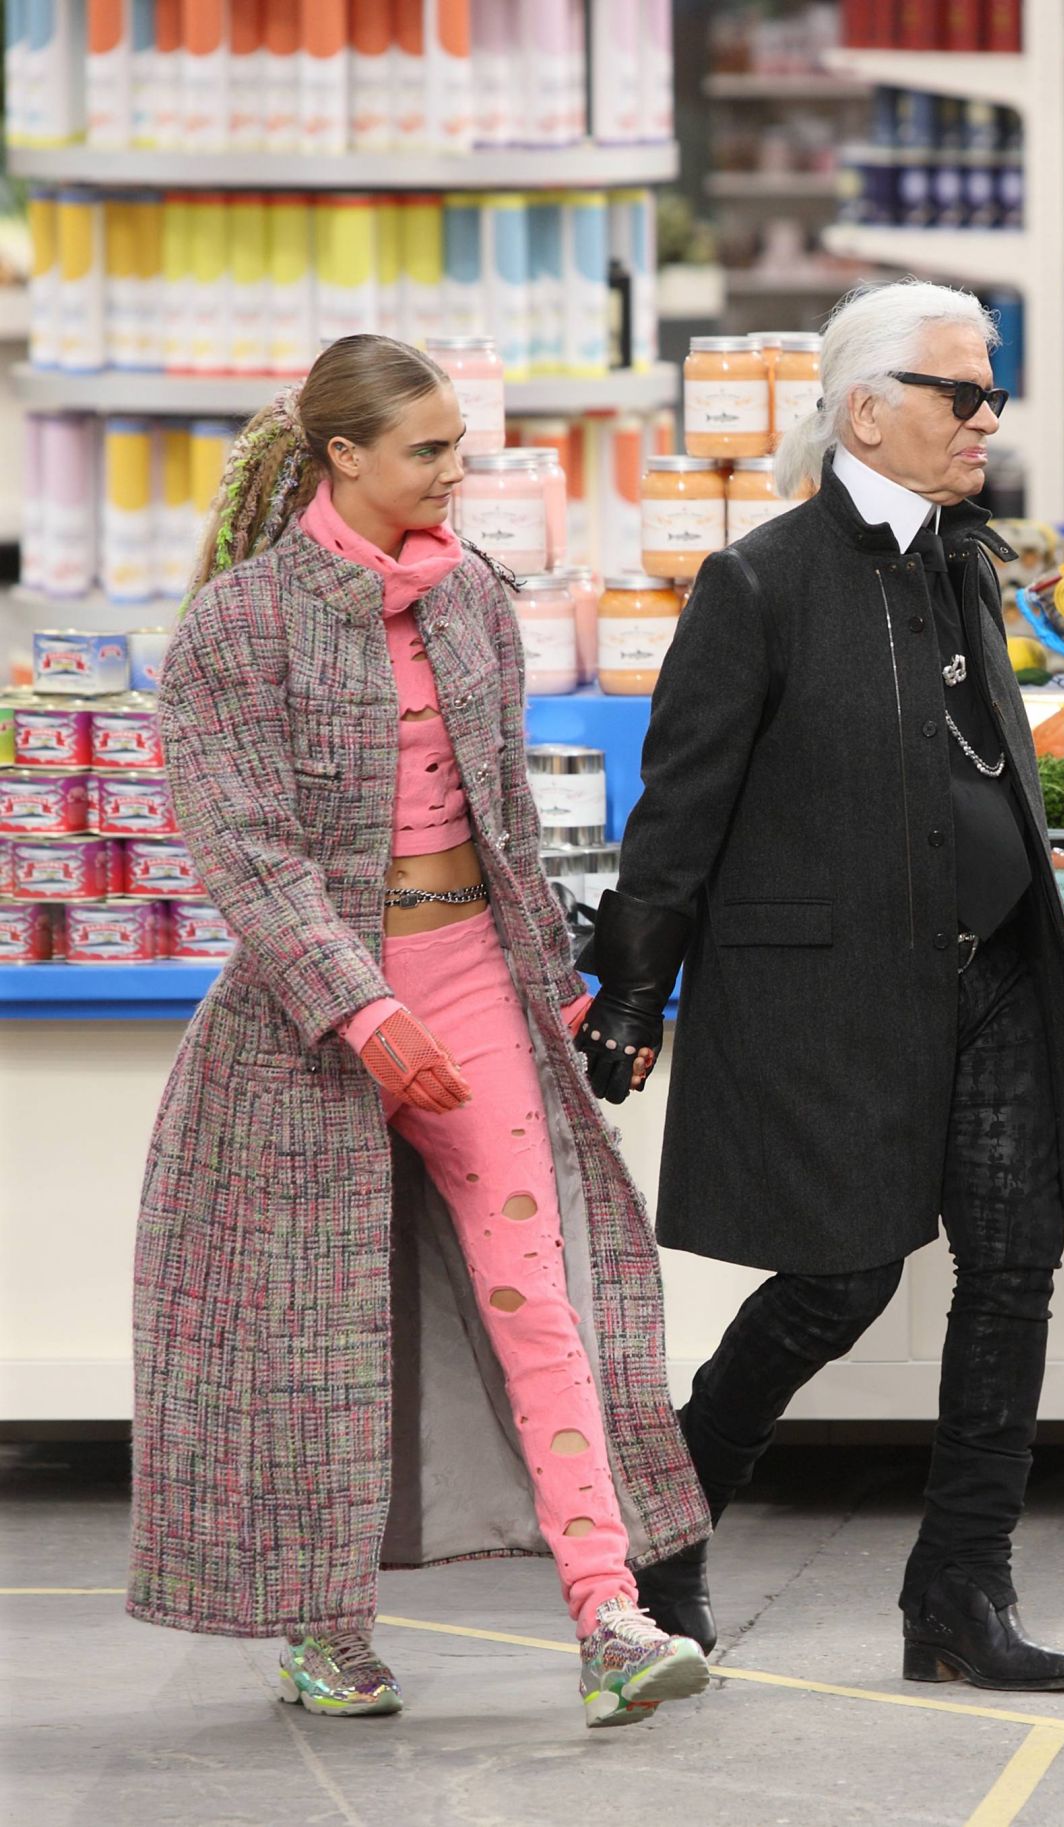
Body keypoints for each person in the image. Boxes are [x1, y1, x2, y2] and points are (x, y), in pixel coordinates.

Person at [127, 334, 710, 1731]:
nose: (460, 474)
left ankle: (610, 1619)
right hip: (304, 1029)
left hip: (473, 995)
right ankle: (325, 1636)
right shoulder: (239, 622)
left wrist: (557, 981)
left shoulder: (474, 603)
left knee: (543, 1303)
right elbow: (246, 852)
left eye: (460, 447)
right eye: (430, 452)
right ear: (343, 457)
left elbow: (505, 822)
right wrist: (362, 1009)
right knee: (315, 1330)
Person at [575, 281, 1064, 1693]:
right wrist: (634, 993)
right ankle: (664, 1531)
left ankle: (960, 1591)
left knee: (1014, 1268)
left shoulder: (968, 560)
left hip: (997, 976)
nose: (988, 419)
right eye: (964, 394)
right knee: (838, 1280)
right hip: (832, 987)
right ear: (867, 409)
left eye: (993, 391)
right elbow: (680, 811)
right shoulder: (758, 580)